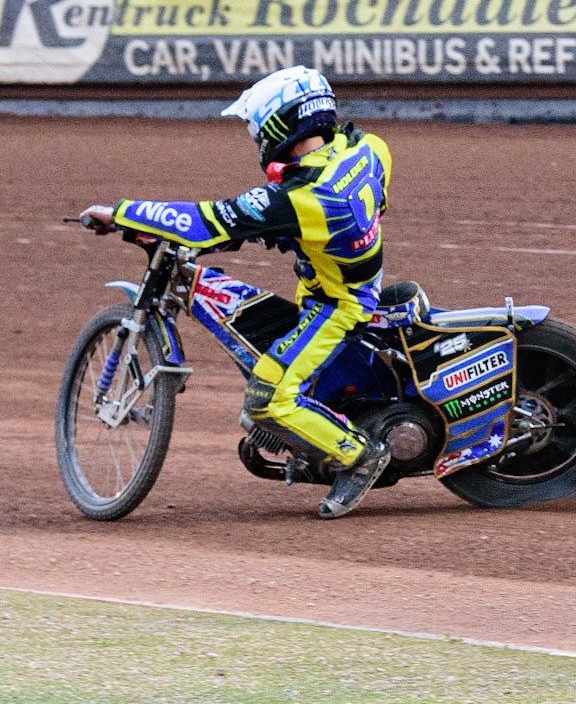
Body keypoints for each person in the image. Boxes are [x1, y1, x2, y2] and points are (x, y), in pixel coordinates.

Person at [79, 66, 393, 519]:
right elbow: (370, 202)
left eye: (256, 130)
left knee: (267, 399)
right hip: (341, 279)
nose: (255, 140)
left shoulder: (304, 197)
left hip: (339, 307)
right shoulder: (366, 148)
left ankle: (361, 456)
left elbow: (213, 219)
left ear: (282, 124)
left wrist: (121, 213)